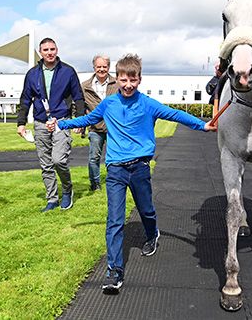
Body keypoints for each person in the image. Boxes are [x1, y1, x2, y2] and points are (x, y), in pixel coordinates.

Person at [46, 54, 216, 294]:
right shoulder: (109, 104)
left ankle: (151, 233)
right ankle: (114, 270)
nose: (128, 84)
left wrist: (203, 125)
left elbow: (175, 114)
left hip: (139, 168)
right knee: (114, 220)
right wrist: (61, 124)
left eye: (132, 80)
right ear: (118, 79)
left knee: (146, 209)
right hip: (115, 169)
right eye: (123, 79)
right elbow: (87, 118)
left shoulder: (147, 104)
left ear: (139, 79)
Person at [17, 37, 85, 212]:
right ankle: (52, 199)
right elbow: (25, 99)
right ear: (41, 52)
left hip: (62, 121)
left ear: (57, 50)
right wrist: (21, 123)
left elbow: (78, 97)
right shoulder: (32, 74)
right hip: (40, 123)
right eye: (46, 50)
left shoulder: (68, 71)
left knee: (58, 160)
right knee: (46, 164)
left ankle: (67, 190)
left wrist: (79, 120)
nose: (49, 52)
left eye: (52, 49)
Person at [81, 54, 117, 191]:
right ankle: (95, 184)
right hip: (95, 129)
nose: (101, 69)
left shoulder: (117, 84)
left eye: (104, 66)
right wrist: (84, 123)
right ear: (94, 67)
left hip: (114, 129)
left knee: (114, 158)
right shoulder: (85, 86)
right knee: (93, 158)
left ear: (108, 67)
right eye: (98, 66)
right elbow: (79, 106)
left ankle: (114, 182)